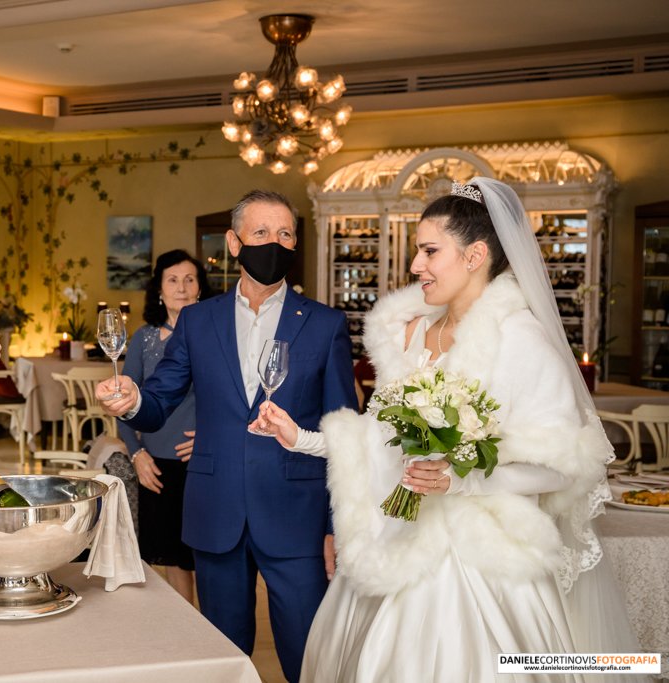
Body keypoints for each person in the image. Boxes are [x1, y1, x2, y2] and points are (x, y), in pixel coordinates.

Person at [252, 178, 643, 682]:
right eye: (419, 251)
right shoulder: (411, 332)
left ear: (476, 254)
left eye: (429, 250)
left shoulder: (521, 341)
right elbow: (380, 435)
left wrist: (461, 478)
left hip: (478, 558)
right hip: (395, 537)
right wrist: (299, 437)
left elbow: (560, 465)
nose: (415, 266)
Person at [97, 190, 358, 682]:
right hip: (216, 511)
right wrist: (131, 400)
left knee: (311, 659)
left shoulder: (324, 325)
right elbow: (158, 402)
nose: (274, 243)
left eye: (285, 234)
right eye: (261, 233)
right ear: (234, 244)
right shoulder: (199, 320)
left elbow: (343, 434)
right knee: (223, 658)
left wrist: (335, 524)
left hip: (297, 517)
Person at [117, 248, 213, 603]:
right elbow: (123, 405)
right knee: (173, 557)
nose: (182, 287)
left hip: (202, 461)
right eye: (173, 280)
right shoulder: (144, 338)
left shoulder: (215, 335)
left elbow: (232, 399)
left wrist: (210, 437)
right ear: (159, 288)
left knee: (205, 555)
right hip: (157, 464)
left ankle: (216, 634)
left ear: (201, 287)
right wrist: (137, 454)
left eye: (190, 279)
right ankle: (190, 634)